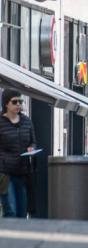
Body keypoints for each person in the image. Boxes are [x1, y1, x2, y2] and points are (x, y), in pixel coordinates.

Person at [0, 90, 35, 218]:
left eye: (20, 101)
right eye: (14, 102)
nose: (18, 104)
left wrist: (31, 148)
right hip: (5, 173)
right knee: (11, 210)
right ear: (6, 104)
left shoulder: (27, 121)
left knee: (22, 212)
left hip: (23, 172)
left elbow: (33, 142)